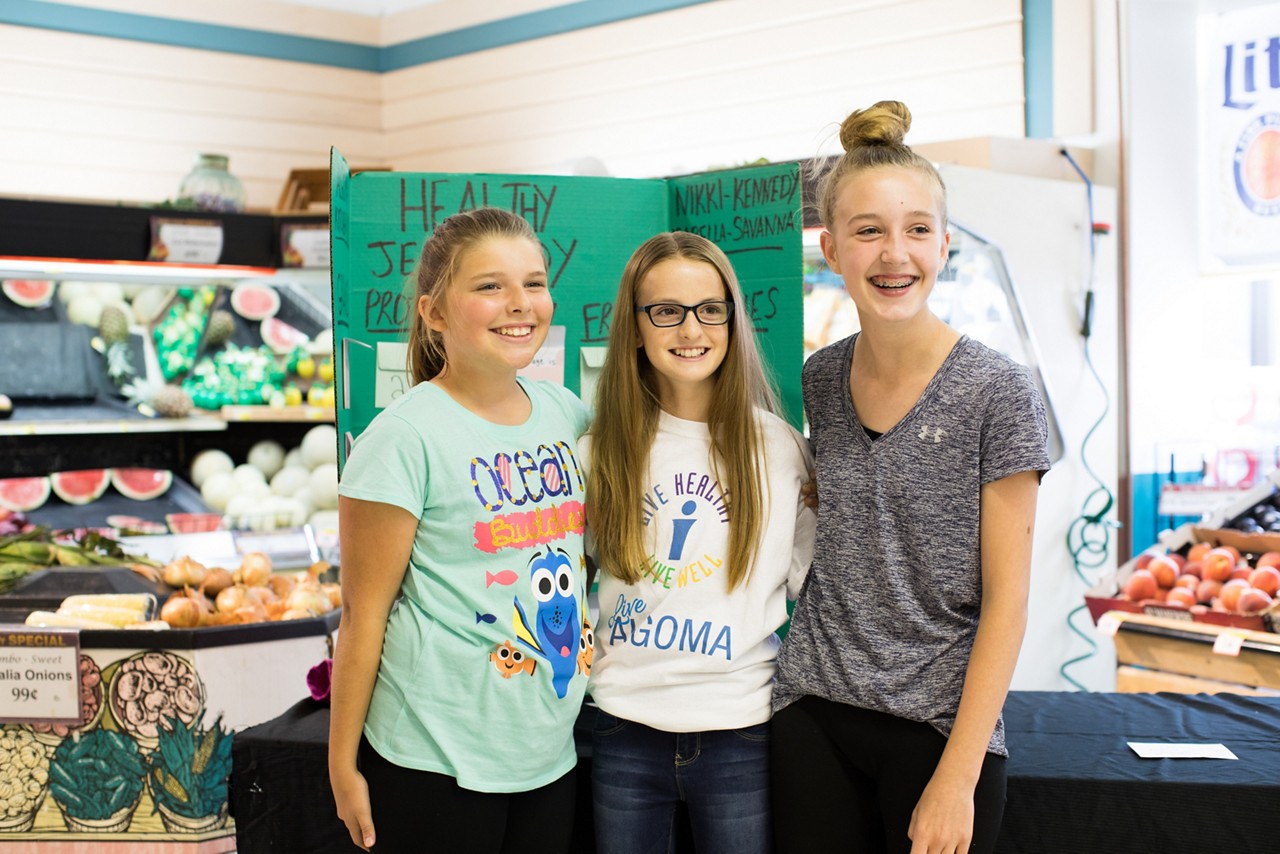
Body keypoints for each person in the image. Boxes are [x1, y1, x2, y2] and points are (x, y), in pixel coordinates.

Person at [770, 100, 1050, 854]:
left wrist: (958, 778)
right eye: (869, 231)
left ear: (945, 244)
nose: (895, 253)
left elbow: (1010, 600)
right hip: (814, 708)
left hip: (937, 725)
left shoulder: (998, 392)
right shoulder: (822, 378)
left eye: (917, 229)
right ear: (831, 248)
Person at [329, 207, 592, 853]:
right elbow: (365, 614)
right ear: (435, 312)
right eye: (489, 286)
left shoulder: (568, 414)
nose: (520, 304)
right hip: (431, 755)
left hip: (548, 749)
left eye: (533, 282)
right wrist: (341, 766)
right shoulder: (403, 436)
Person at [584, 231, 816, 854]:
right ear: (635, 328)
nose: (691, 329)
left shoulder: (781, 450)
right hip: (622, 725)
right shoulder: (597, 451)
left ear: (733, 321)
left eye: (711, 309)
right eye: (667, 311)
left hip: (740, 729)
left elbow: (810, 582)